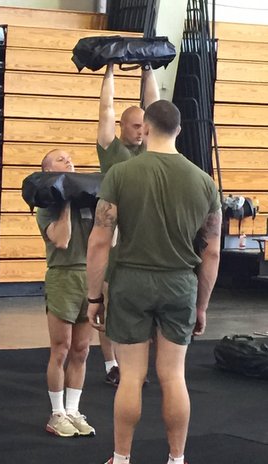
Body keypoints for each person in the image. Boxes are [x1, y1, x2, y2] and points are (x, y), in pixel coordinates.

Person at [84, 100, 221, 464]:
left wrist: (95, 297)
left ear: (144, 129)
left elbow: (99, 241)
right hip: (180, 283)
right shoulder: (204, 182)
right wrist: (202, 304)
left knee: (131, 377)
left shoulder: (121, 174)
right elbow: (210, 251)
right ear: (178, 131)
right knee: (173, 375)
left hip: (130, 282)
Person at [96, 62, 160, 386]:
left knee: (138, 307)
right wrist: (109, 70)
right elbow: (106, 109)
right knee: (109, 302)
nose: (141, 130)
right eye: (135, 126)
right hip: (116, 232)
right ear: (123, 127)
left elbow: (156, 105)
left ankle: (134, 364)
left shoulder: (151, 150)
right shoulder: (112, 150)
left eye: (143, 126)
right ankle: (111, 365)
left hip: (143, 233)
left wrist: (147, 71)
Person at [36, 149, 96, 438]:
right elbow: (61, 239)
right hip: (63, 275)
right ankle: (56, 413)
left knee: (82, 350)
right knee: (61, 348)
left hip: (90, 275)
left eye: (71, 158)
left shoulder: (88, 201)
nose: (69, 161)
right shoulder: (46, 207)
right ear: (48, 171)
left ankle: (73, 410)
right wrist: (66, 201)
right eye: (60, 159)